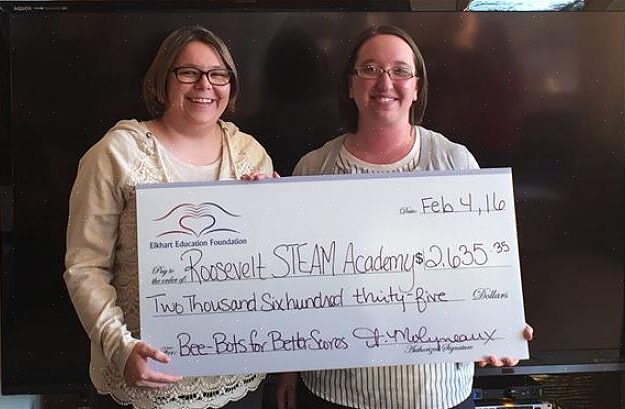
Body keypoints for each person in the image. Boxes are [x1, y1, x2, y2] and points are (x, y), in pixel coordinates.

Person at [278, 25, 534, 409]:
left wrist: (502, 325)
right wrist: (286, 370)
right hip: (335, 390)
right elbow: (294, 285)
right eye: (370, 69)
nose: (385, 82)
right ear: (350, 86)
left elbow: (486, 269)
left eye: (400, 71)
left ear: (417, 88)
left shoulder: (455, 162)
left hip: (436, 392)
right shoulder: (314, 169)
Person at [64, 26, 273, 409]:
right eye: (189, 72)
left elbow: (272, 264)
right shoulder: (118, 153)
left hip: (237, 377)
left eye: (218, 74)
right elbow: (85, 266)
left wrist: (279, 213)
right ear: (163, 79)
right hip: (144, 381)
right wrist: (120, 348)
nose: (205, 85)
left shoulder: (251, 153)